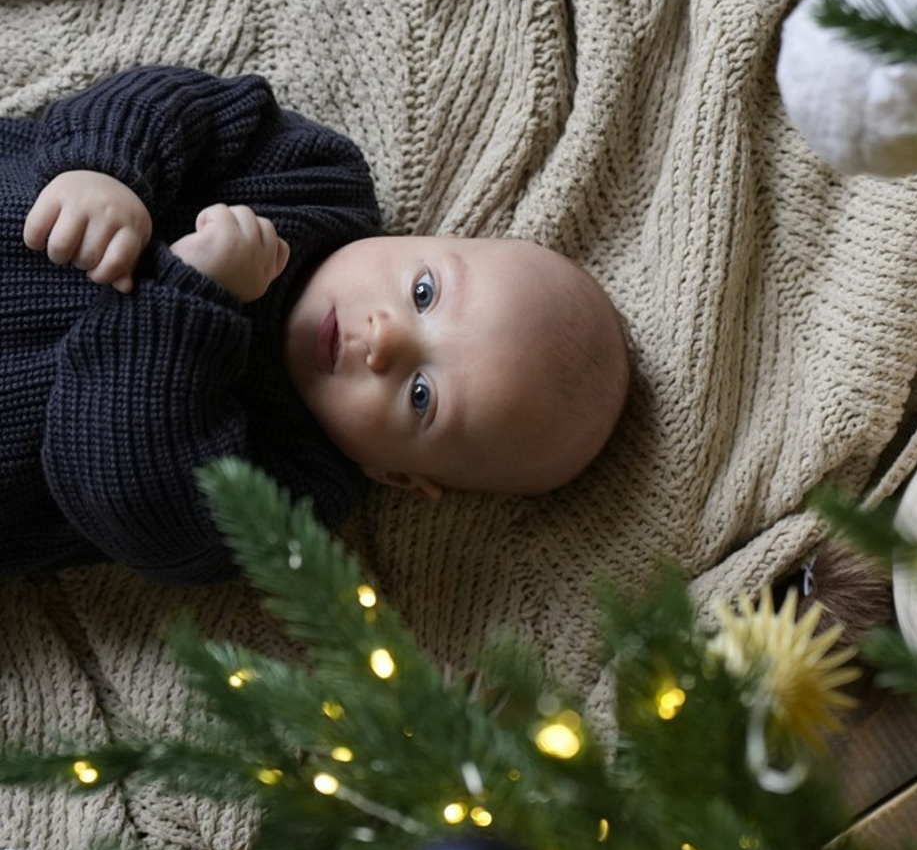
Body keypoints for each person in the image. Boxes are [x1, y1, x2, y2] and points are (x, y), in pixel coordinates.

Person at [2, 66, 630, 586]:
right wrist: (106, 170)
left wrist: (190, 304)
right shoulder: (314, 183)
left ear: (398, 475)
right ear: (427, 237)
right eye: (423, 291)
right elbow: (175, 105)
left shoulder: (292, 495)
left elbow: (137, 505)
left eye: (421, 396)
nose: (385, 339)